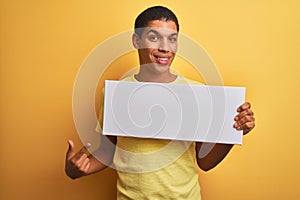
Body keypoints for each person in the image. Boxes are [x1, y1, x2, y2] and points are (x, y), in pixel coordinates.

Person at [65, 6, 255, 199]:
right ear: (136, 40)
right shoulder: (116, 94)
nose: (165, 48)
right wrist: (79, 169)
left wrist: (233, 131)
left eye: (172, 39)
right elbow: (108, 151)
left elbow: (205, 162)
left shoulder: (196, 93)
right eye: (154, 37)